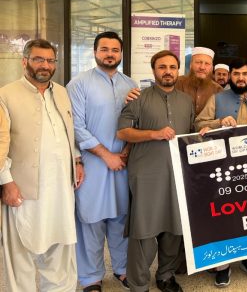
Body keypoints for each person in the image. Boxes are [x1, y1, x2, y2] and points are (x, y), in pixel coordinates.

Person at [0, 39, 84, 291]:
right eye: (38, 59)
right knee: (20, 254)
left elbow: (69, 131)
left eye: (50, 60)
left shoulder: (61, 92)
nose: (45, 65)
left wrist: (77, 159)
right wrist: (6, 182)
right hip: (22, 189)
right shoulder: (6, 94)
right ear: (24, 61)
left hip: (60, 188)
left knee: (60, 249)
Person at [117, 50, 194, 292]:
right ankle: (139, 284)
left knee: (174, 227)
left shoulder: (186, 101)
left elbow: (191, 133)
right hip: (146, 174)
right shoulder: (139, 98)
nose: (167, 71)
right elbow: (122, 132)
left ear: (178, 70)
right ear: (154, 71)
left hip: (177, 174)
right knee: (144, 229)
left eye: (172, 67)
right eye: (162, 67)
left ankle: (166, 276)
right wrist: (154, 134)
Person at [67, 32, 137, 291]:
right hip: (93, 164)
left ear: (121, 53)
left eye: (115, 50)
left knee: (121, 218)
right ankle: (91, 277)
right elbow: (76, 126)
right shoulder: (79, 84)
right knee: (91, 221)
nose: (110, 54)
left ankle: (122, 270)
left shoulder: (130, 84)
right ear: (95, 52)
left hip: (123, 164)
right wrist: (106, 155)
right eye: (104, 49)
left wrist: (126, 151)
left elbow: (136, 122)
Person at [195, 58, 247, 287]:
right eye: (236, 74)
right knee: (224, 216)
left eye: (245, 74)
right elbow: (198, 124)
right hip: (223, 169)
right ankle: (223, 265)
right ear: (230, 76)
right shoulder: (217, 98)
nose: (240, 78)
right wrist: (218, 122)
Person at [127, 46, 222, 116]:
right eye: (198, 62)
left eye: (207, 64)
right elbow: (155, 93)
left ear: (212, 68)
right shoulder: (175, 82)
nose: (202, 67)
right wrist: (135, 95)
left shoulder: (219, 91)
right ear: (190, 65)